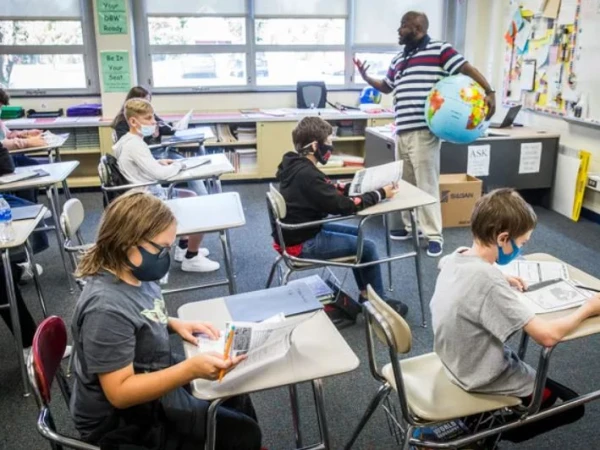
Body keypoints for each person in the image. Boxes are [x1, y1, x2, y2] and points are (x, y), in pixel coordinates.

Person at [70, 191, 261, 449]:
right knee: (243, 435)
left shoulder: (134, 273)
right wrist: (189, 370)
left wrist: (172, 323)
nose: (164, 257)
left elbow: (138, 314)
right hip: (121, 421)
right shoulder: (105, 309)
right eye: (161, 249)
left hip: (149, 371)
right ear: (127, 241)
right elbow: (119, 394)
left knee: (234, 390)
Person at [430, 189, 592, 443]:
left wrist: (501, 276)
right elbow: (547, 336)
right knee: (571, 405)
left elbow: (448, 266)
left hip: (453, 361)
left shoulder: (455, 257)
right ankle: (482, 433)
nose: (521, 249)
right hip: (480, 375)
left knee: (548, 386)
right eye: (522, 243)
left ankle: (478, 421)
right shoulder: (488, 280)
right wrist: (588, 308)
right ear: (503, 238)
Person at [354, 11, 496, 258]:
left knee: (426, 184)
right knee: (404, 183)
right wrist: (366, 77)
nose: (398, 30)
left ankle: (433, 235)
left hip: (424, 131)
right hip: (401, 130)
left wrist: (489, 91)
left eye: (403, 25)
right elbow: (386, 86)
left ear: (417, 28)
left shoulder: (439, 50)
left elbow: (466, 68)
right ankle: (410, 228)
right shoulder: (399, 58)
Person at [273, 116, 409, 316]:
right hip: (302, 242)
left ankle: (366, 295)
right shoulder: (308, 175)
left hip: (298, 231)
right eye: (328, 141)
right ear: (314, 146)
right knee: (367, 247)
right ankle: (378, 303)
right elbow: (345, 207)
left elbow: (325, 189)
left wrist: (356, 188)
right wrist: (381, 194)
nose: (331, 146)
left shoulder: (294, 165)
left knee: (360, 237)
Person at [113, 98, 218, 273]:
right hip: (147, 200)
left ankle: (184, 247)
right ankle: (192, 258)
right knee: (200, 207)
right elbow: (161, 175)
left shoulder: (127, 140)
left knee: (190, 195)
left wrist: (158, 162)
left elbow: (137, 164)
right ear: (133, 121)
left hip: (142, 192)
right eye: (148, 118)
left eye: (153, 117)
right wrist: (179, 165)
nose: (154, 122)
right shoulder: (135, 145)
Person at [112, 85, 181, 161]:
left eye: (148, 102)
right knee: (177, 160)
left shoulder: (149, 114)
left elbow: (164, 127)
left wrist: (174, 127)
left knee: (178, 157)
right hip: (144, 154)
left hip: (154, 150)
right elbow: (130, 147)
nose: (147, 106)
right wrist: (152, 135)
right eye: (144, 102)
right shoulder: (122, 122)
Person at [0, 88, 46, 165]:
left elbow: (8, 134)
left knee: (34, 164)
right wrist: (27, 142)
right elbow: (1, 144)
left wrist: (26, 133)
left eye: (0, 107)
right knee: (34, 165)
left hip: (7, 156)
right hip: (3, 160)